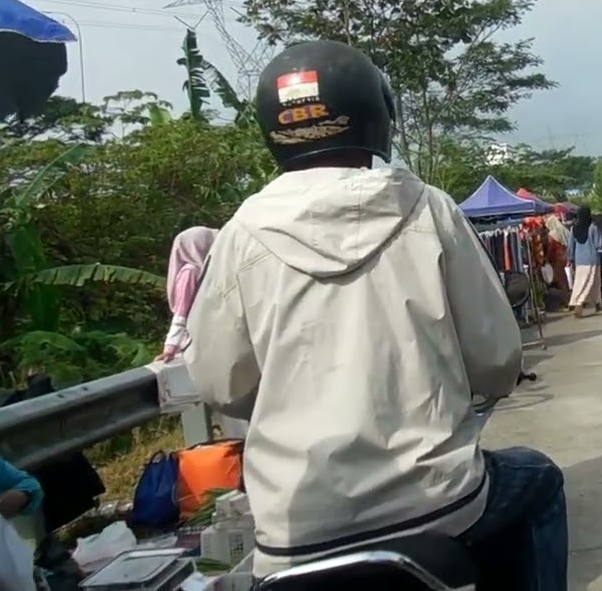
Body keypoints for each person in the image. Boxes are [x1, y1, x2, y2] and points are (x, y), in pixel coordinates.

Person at [182, 39, 568, 587]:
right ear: (377, 115)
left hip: (294, 530)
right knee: (541, 481)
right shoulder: (427, 207)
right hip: (436, 503)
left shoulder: (241, 232)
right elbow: (497, 360)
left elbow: (221, 383)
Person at [158, 227, 218, 362]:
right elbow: (181, 313)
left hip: (196, 342)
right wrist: (171, 347)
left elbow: (181, 312)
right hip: (201, 340)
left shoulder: (194, 272)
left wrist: (170, 348)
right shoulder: (193, 272)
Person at [566, 206, 602, 317]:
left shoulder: (573, 229)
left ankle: (597, 303)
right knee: (593, 282)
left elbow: (570, 246)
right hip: (592, 259)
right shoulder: (593, 228)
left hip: (579, 260)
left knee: (580, 282)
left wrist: (570, 259)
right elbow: (598, 244)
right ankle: (579, 303)